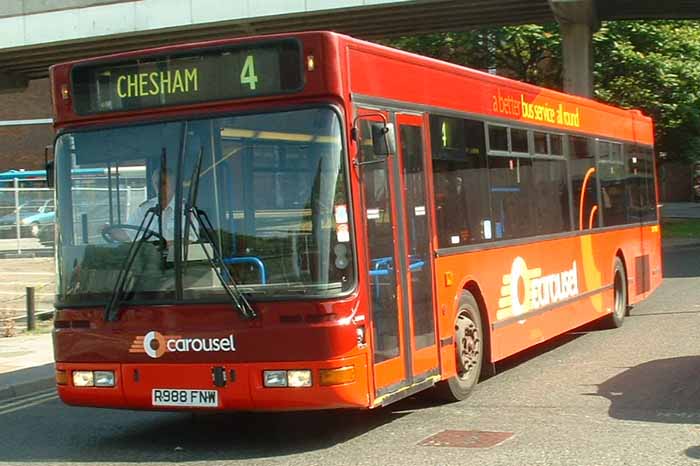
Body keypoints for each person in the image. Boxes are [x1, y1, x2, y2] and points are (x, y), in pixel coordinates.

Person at [104, 168, 198, 243]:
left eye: (164, 183)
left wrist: (167, 245)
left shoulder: (186, 209)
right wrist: (110, 231)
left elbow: (192, 239)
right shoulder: (145, 209)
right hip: (149, 260)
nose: (160, 187)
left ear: (174, 185)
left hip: (177, 262)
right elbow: (128, 234)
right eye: (157, 183)